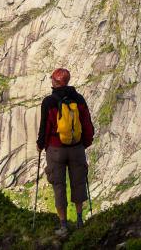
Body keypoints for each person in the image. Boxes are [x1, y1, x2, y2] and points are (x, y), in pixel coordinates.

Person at [36, 67, 94, 236]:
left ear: (55, 82)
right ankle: (79, 221)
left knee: (59, 185)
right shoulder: (79, 99)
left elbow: (44, 127)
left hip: (56, 149)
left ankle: (63, 227)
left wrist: (41, 144)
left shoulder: (49, 101)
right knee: (78, 182)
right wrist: (86, 143)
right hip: (76, 148)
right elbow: (87, 125)